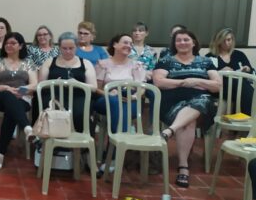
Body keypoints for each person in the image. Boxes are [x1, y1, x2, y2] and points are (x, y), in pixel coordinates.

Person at [154, 29, 221, 188]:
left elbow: (217, 85)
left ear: (194, 43)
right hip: (172, 102)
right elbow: (159, 81)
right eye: (179, 40)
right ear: (174, 43)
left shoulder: (205, 62)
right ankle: (183, 167)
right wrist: (183, 82)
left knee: (201, 101)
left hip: (202, 102)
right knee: (189, 121)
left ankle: (169, 131)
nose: (182, 43)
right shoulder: (166, 61)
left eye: (186, 40)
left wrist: (195, 80)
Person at [0, 32, 37, 171]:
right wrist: (3, 87)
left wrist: (23, 89)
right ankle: (27, 127)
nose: (9, 45)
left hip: (22, 97)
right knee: (8, 95)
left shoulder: (28, 63)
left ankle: (0, 153)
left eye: (13, 43)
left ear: (20, 46)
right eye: (7, 43)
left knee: (12, 110)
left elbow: (34, 84)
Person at [39, 32, 97, 133]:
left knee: (80, 112)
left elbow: (93, 87)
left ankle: (79, 142)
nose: (68, 51)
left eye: (71, 48)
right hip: (54, 96)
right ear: (59, 48)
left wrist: (77, 83)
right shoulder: (49, 62)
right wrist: (53, 83)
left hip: (78, 96)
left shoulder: (86, 63)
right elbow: (40, 85)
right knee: (54, 112)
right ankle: (54, 142)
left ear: (77, 47)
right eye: (64, 48)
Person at [94, 33, 147, 134]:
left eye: (131, 44)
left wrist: (135, 97)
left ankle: (118, 144)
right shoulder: (103, 64)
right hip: (107, 99)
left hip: (130, 99)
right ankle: (122, 140)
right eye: (125, 42)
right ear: (115, 44)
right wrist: (109, 94)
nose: (129, 45)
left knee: (125, 107)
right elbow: (97, 88)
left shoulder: (136, 65)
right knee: (116, 102)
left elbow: (142, 88)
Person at [206, 27, 253, 114]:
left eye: (229, 40)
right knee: (241, 84)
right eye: (223, 40)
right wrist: (220, 71)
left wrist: (247, 69)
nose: (226, 43)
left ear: (232, 40)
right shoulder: (210, 56)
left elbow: (251, 70)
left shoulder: (239, 54)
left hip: (239, 87)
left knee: (242, 83)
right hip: (221, 88)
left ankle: (242, 117)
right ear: (218, 41)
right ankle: (245, 117)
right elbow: (207, 75)